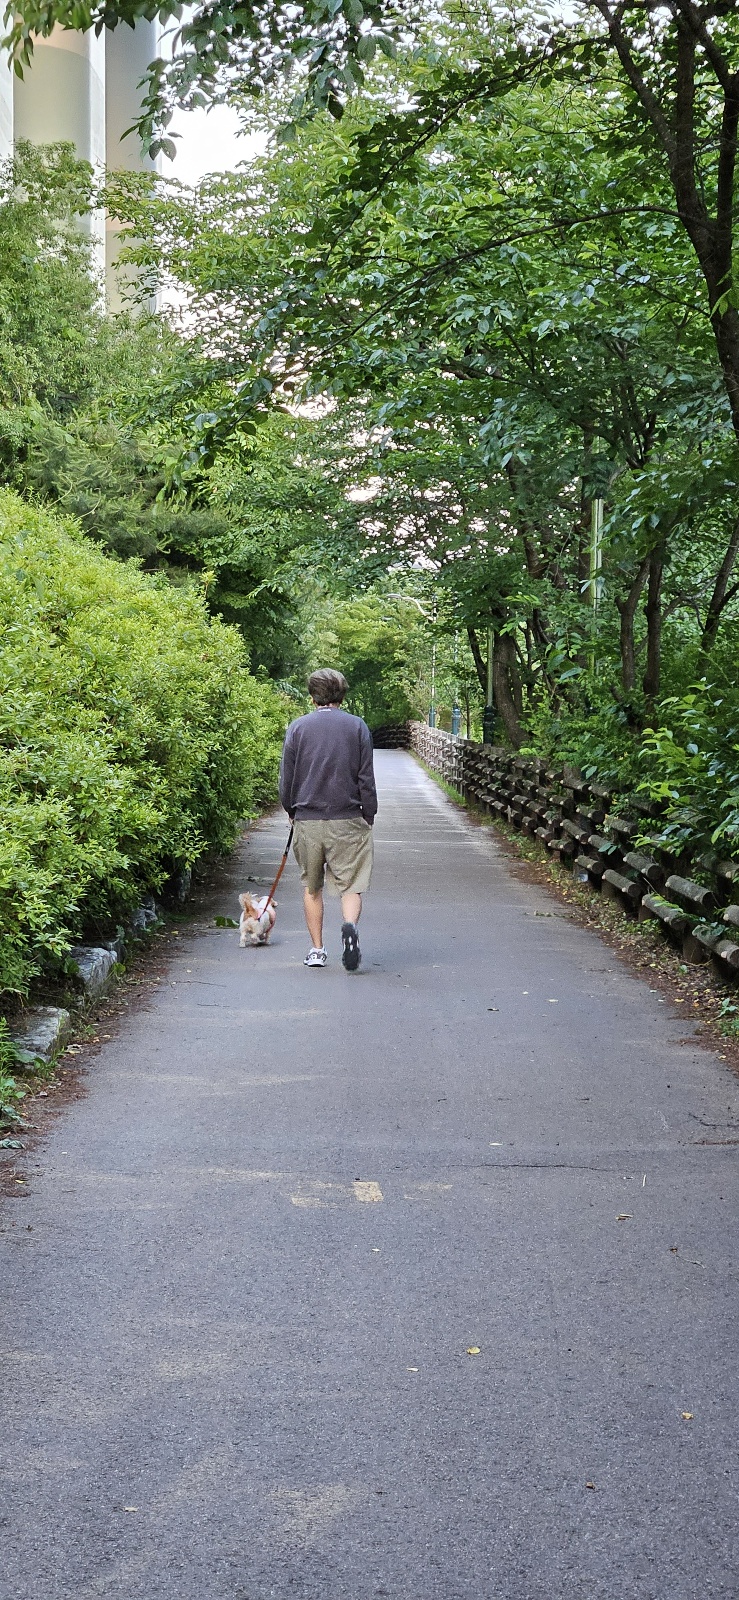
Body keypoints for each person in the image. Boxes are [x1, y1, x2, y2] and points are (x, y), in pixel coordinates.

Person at [279, 668, 377, 970]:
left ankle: (317, 950)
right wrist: (368, 813)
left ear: (312, 697)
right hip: (348, 817)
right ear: (342, 696)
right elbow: (365, 778)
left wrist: (291, 810)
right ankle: (349, 926)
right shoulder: (357, 727)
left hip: (308, 818)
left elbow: (287, 778)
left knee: (312, 886)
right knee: (351, 885)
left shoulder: (298, 728)